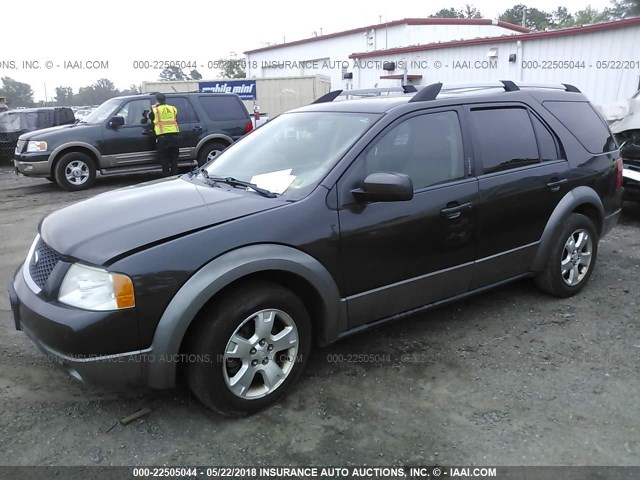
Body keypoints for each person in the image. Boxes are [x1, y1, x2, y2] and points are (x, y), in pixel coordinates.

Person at [149, 93, 179, 176]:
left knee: (164, 159)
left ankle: (166, 176)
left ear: (157, 100)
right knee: (174, 158)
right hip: (174, 136)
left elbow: (150, 118)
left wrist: (155, 106)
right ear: (165, 99)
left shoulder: (155, 109)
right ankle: (175, 175)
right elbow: (176, 119)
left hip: (162, 137)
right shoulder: (173, 108)